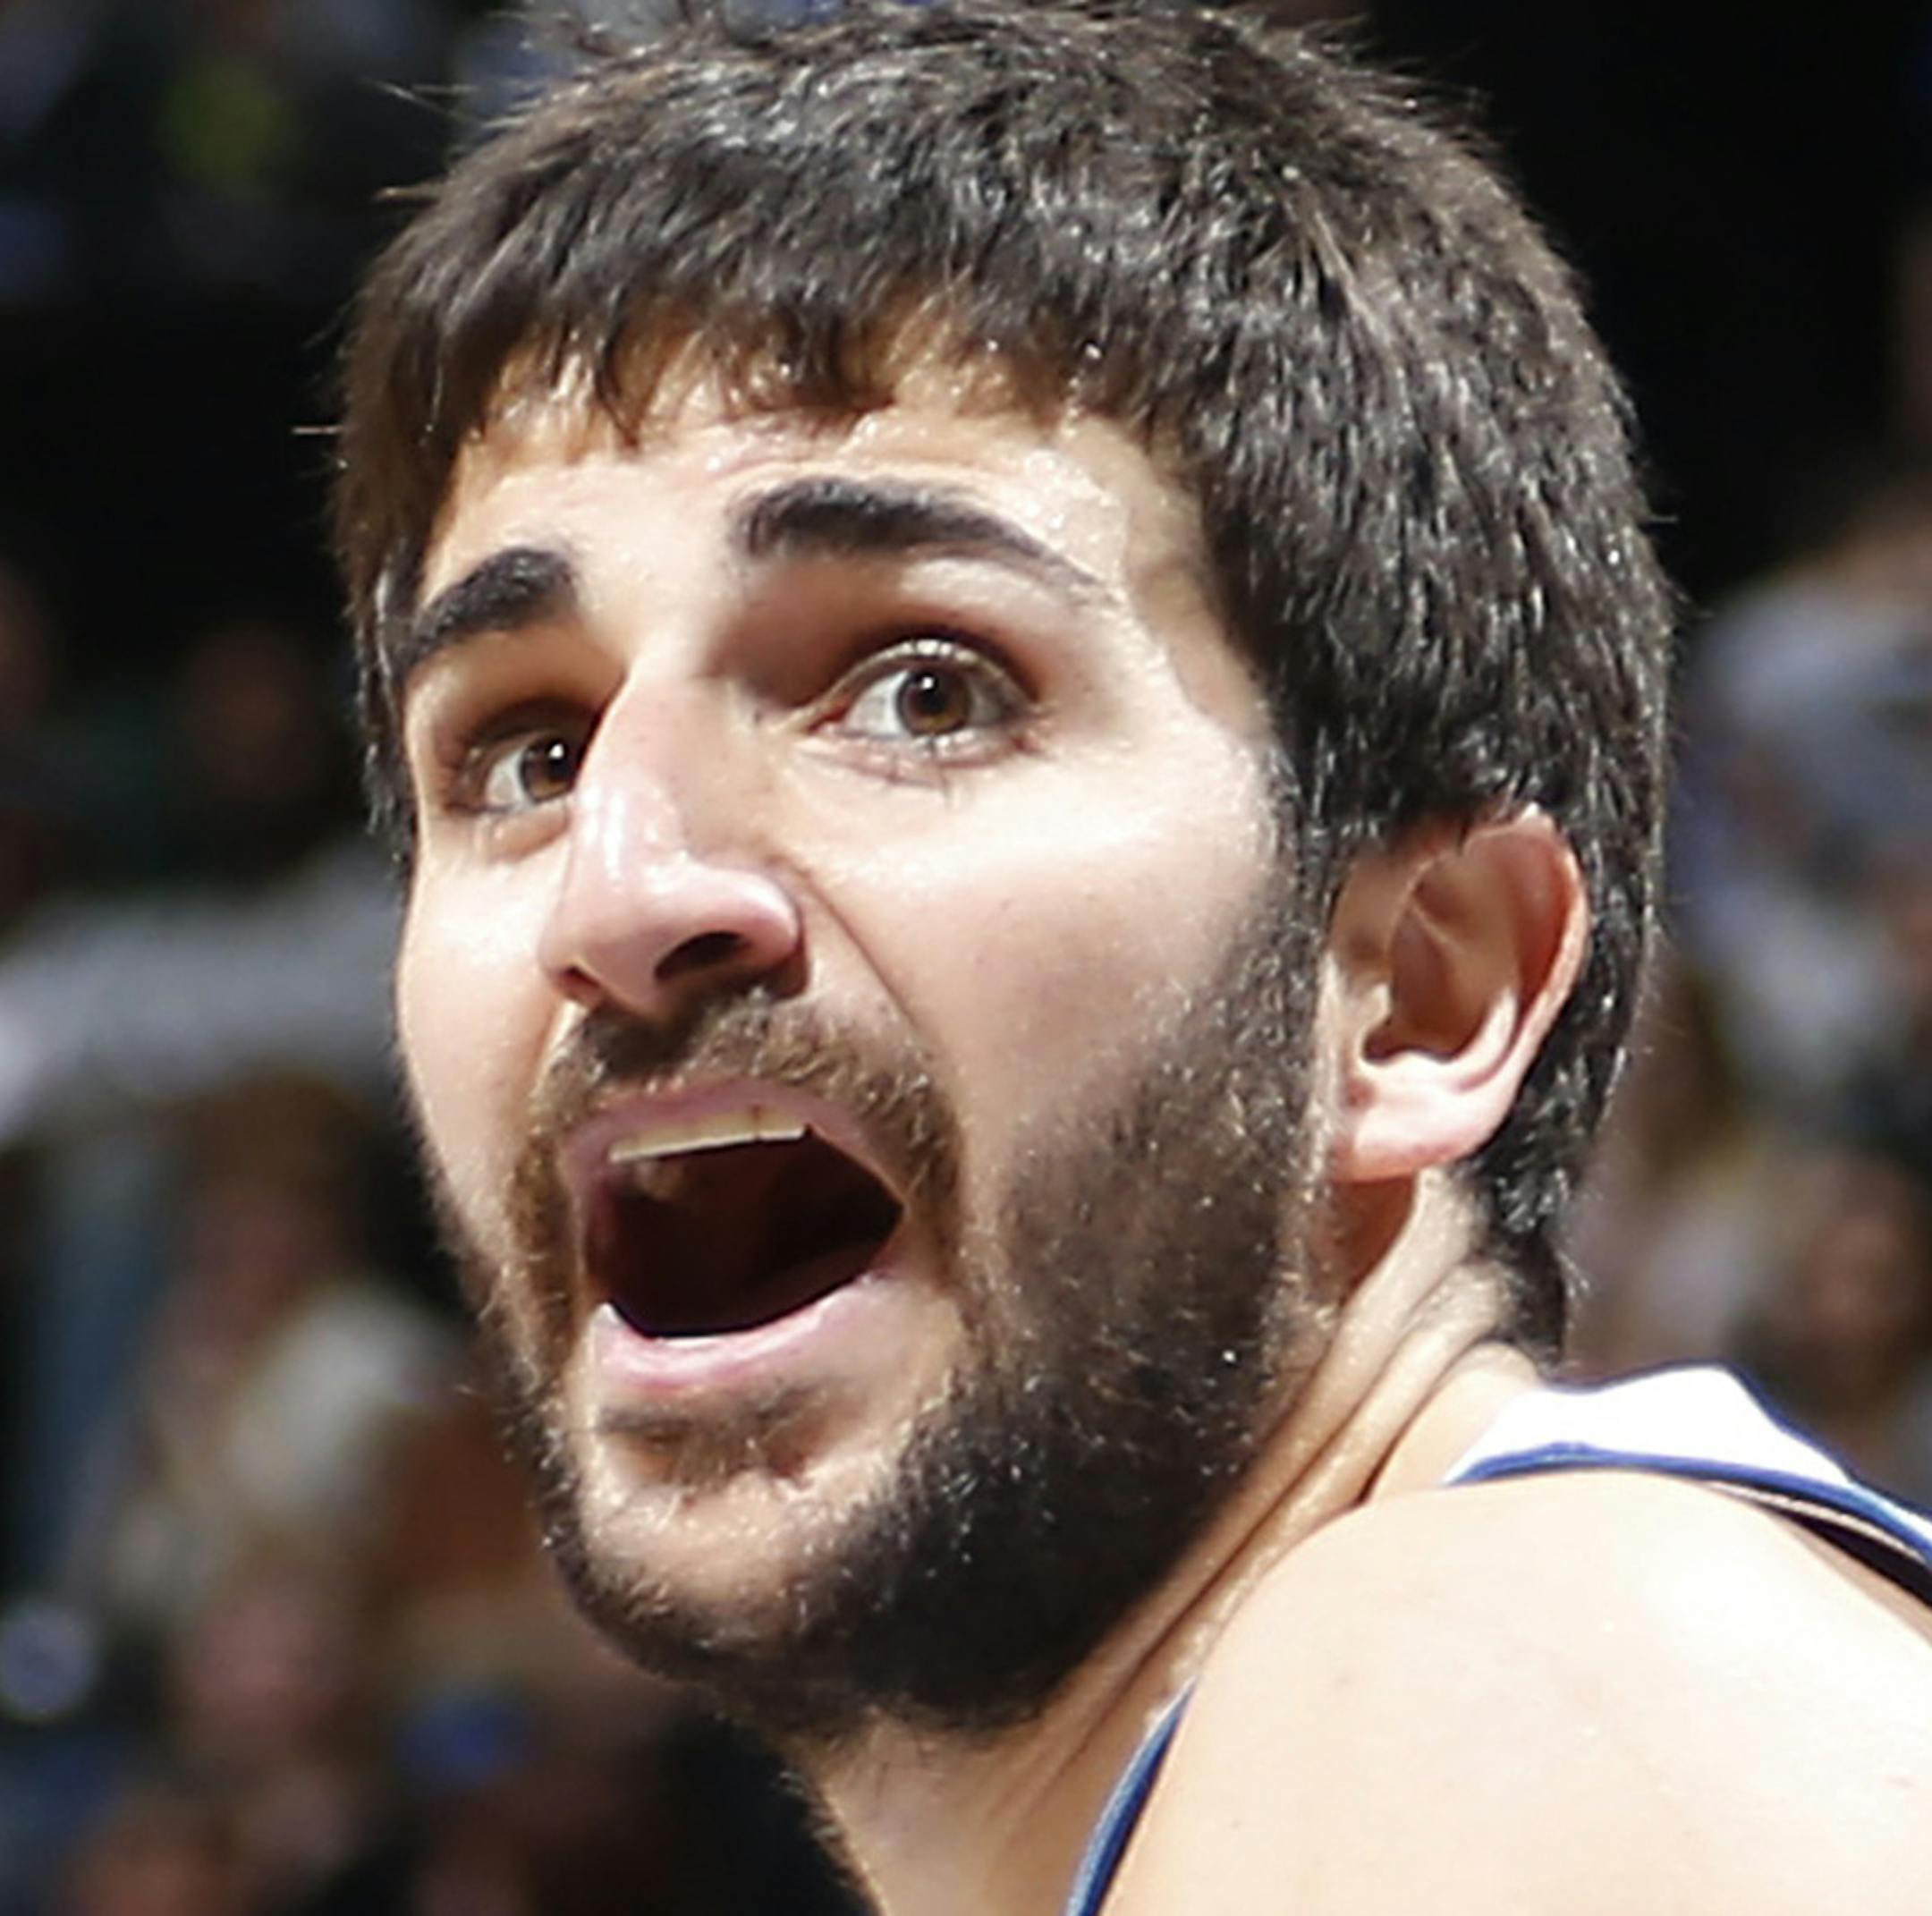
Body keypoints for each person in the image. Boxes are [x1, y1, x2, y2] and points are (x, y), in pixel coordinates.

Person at [329, 3, 1932, 1910]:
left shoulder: (1506, 1668)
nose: (621, 893)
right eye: (527, 750)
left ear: (1424, 992)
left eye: (922, 692)